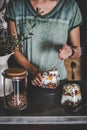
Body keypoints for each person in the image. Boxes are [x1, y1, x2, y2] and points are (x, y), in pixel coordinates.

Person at [5, 0, 82, 86]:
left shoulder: (69, 6)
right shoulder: (16, 4)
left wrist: (70, 51)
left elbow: (77, 51)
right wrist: (33, 71)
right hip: (23, 82)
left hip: (56, 83)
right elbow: (13, 48)